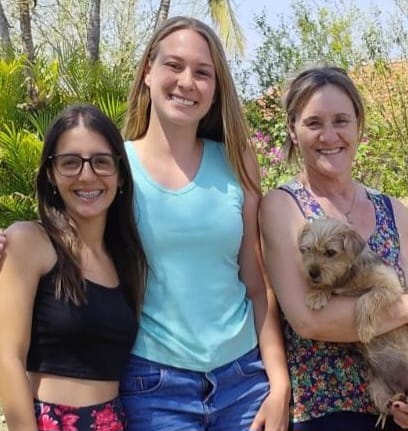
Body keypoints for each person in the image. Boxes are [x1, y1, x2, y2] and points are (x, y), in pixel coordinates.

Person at [117, 16, 289, 431]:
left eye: (202, 72)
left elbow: (257, 284)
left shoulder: (236, 161)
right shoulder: (115, 165)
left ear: (215, 87)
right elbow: (68, 247)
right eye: (174, 65)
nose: (187, 82)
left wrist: (279, 384)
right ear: (147, 72)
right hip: (154, 386)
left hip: (244, 382)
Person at [259, 66, 408, 431]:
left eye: (341, 121)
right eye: (313, 122)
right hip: (326, 412)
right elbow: (310, 320)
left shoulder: (394, 211)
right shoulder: (282, 207)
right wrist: (407, 309)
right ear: (293, 130)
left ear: (358, 127)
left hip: (406, 409)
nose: (329, 135)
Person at [0, 104, 148, 431]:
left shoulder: (124, 258)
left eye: (101, 162)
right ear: (51, 174)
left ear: (121, 175)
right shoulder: (29, 242)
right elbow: (7, 357)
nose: (87, 175)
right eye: (70, 163)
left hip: (116, 421)